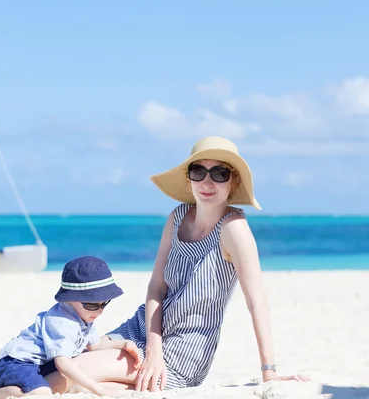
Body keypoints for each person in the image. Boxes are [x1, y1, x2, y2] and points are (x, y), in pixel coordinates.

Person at [44, 136, 310, 394]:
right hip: (144, 330)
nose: (207, 182)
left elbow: (257, 302)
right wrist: (153, 348)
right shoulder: (178, 215)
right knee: (58, 360)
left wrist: (269, 371)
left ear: (233, 180)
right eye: (198, 171)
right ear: (189, 177)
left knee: (68, 373)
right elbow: (156, 289)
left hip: (183, 352)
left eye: (219, 173)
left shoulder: (234, 229)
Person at [0, 255, 142, 399]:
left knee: (61, 381)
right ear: (70, 298)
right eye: (92, 304)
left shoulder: (82, 314)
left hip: (39, 363)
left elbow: (95, 345)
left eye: (104, 303)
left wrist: (122, 344)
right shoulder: (62, 322)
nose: (100, 310)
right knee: (42, 393)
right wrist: (97, 388)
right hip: (14, 363)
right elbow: (63, 363)